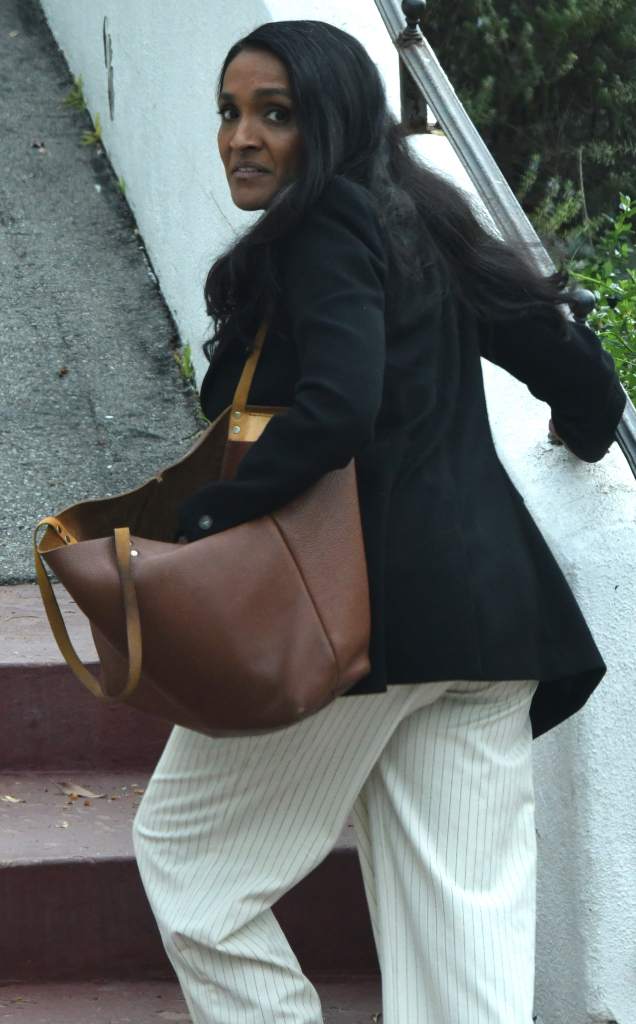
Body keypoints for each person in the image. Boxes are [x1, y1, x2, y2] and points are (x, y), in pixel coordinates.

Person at [133, 20, 625, 1024]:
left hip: (353, 620)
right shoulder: (424, 225)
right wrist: (576, 437)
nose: (241, 137)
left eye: (276, 114)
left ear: (337, 119)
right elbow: (579, 370)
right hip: (488, 628)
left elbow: (338, 408)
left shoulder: (322, 229)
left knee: (188, 856)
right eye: (229, 113)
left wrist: (207, 515)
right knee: (464, 948)